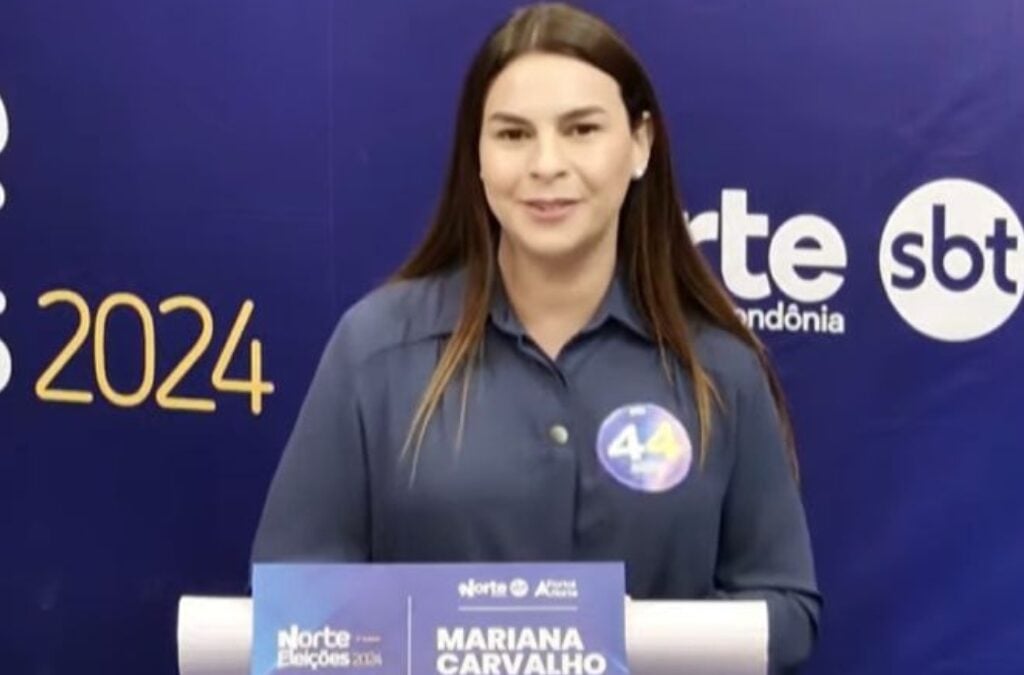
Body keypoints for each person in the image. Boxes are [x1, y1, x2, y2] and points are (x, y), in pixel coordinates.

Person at [253, 2, 820, 671]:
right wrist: (478, 631)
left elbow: (785, 612)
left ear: (640, 144)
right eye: (514, 135)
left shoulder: (719, 371)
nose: (546, 164)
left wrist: (614, 634)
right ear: (479, 156)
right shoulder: (376, 348)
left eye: (581, 129)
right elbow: (293, 605)